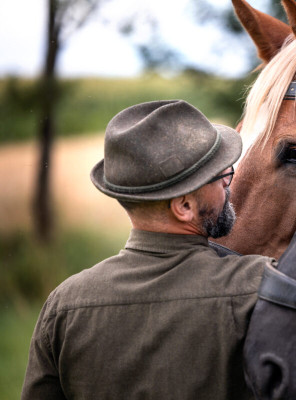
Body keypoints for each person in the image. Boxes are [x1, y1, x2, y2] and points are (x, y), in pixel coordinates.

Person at [21, 100, 274, 399]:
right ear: (184, 206)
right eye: (221, 177)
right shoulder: (260, 286)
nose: (229, 184)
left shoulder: (64, 305)